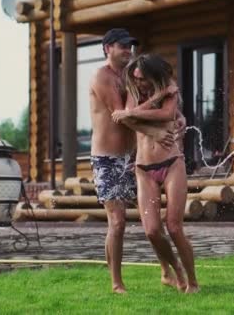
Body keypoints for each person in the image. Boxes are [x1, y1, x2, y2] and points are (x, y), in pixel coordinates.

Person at [89, 28, 183, 294]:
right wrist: (155, 132)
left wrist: (177, 116)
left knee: (151, 223)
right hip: (107, 159)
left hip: (134, 158)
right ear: (108, 48)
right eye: (122, 46)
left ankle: (166, 271)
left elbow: (153, 105)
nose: (128, 51)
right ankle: (117, 283)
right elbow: (123, 115)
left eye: (130, 46)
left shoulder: (134, 74)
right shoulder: (102, 76)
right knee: (117, 221)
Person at [111, 53, 199, 293]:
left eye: (142, 79)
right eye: (136, 78)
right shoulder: (136, 91)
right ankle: (172, 270)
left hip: (171, 163)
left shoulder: (171, 90)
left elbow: (166, 115)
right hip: (143, 169)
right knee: (151, 230)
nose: (138, 83)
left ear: (154, 76)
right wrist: (153, 100)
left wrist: (134, 112)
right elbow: (126, 118)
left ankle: (193, 282)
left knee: (174, 226)